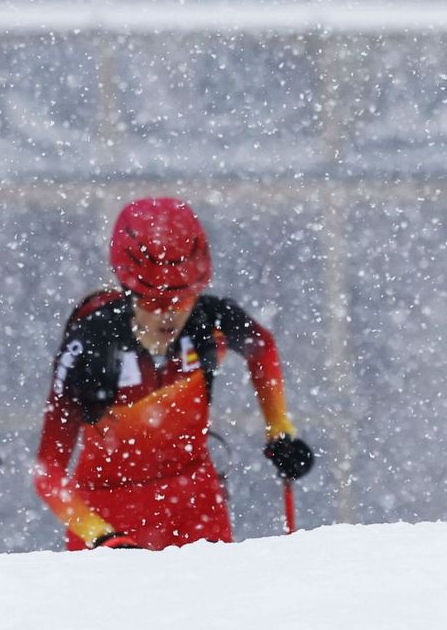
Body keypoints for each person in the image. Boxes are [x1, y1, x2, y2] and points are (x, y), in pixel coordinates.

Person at [33, 197, 314, 550]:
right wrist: (101, 536)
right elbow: (48, 474)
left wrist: (279, 430)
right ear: (128, 290)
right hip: (107, 513)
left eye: (181, 300)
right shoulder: (90, 345)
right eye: (153, 302)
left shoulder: (206, 322)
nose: (168, 316)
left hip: (195, 503)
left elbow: (262, 348)